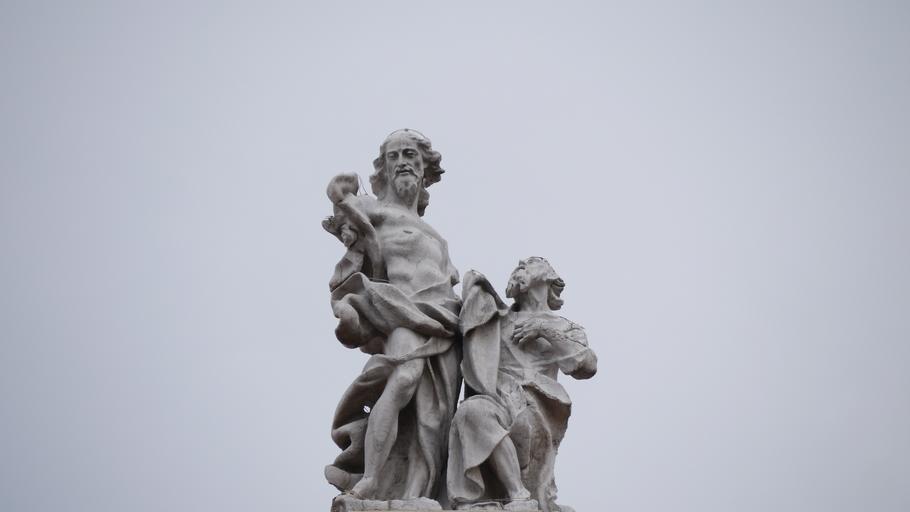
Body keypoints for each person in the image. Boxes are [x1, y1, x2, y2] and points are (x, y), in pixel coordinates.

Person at [323, 129, 462, 502]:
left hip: (445, 323)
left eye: (410, 155)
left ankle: (418, 494)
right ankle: (370, 479)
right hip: (402, 313)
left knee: (434, 418)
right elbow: (340, 204)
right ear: (383, 169)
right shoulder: (374, 210)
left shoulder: (437, 237)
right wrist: (342, 195)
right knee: (404, 379)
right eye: (394, 156)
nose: (402, 162)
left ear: (424, 167)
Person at [449, 257, 597, 512]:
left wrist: (543, 329)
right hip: (495, 402)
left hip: (534, 406)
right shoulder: (495, 319)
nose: (519, 264)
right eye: (519, 264)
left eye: (529, 263)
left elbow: (587, 365)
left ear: (549, 277)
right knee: (471, 410)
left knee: (511, 416)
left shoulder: (564, 326)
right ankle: (517, 494)